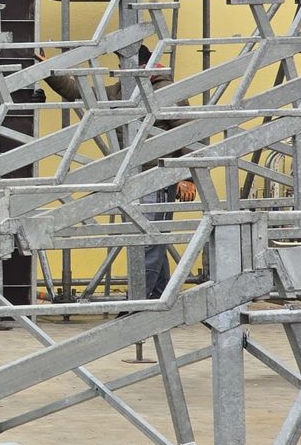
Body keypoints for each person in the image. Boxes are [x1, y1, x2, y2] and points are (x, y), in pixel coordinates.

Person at [38, 46, 194, 300]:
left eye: (123, 64)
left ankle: (138, 302)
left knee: (148, 241)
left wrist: (186, 176)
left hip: (158, 178)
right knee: (151, 239)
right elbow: (80, 92)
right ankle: (156, 296)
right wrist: (49, 72)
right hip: (135, 178)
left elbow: (188, 132)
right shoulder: (123, 91)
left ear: (139, 66)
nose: (120, 69)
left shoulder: (163, 90)